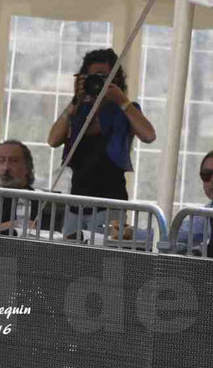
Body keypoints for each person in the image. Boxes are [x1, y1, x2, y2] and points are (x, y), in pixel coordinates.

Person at [47, 48, 156, 237]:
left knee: (99, 259)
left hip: (110, 202)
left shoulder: (125, 109)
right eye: (93, 77)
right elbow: (53, 140)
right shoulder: (78, 110)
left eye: (104, 77)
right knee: (68, 257)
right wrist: (75, 101)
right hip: (76, 201)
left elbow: (149, 135)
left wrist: (121, 100)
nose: (98, 82)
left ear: (116, 80)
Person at [0, 140, 60, 233]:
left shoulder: (42, 203)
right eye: (1, 160)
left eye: (14, 161)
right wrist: (6, 226)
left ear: (27, 168)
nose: (6, 168)